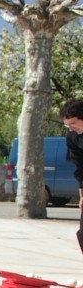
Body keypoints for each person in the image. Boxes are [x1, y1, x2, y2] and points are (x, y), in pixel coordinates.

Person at [59, 98, 83, 255]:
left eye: (73, 123)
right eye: (67, 125)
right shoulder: (73, 137)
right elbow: (80, 166)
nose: (71, 128)